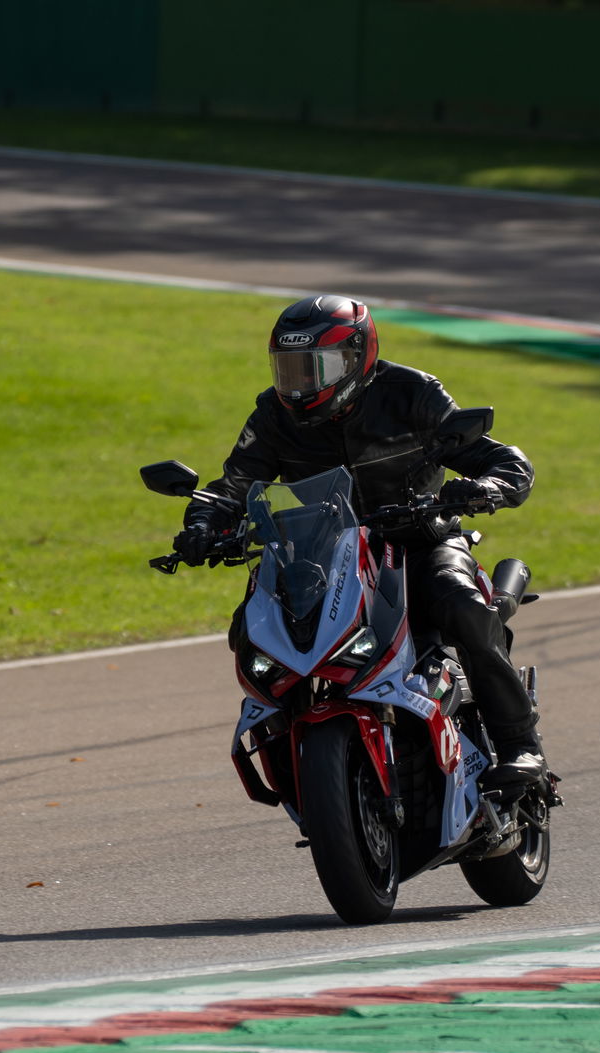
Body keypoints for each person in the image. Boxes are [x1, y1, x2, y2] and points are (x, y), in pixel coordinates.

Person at [174, 294, 546, 780]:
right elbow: (234, 487)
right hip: (321, 557)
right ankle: (295, 752)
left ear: (357, 357)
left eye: (315, 368)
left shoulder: (412, 392)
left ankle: (521, 746)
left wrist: (485, 487)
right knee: (252, 629)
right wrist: (204, 525)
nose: (301, 384)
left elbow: (503, 461)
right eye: (290, 370)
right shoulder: (272, 414)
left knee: (464, 608)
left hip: (420, 541)